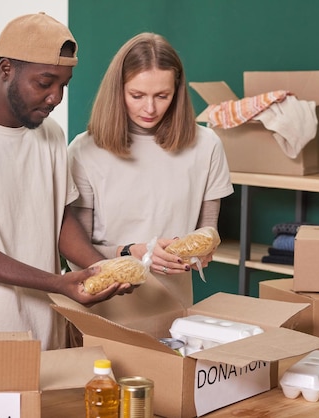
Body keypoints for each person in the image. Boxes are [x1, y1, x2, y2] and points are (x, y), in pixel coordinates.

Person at [0, 12, 132, 351]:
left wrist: (101, 268)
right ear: (6, 69)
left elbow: (59, 220)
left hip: (42, 327)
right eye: (45, 83)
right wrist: (58, 283)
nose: (56, 98)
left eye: (64, 85)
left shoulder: (51, 135)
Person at [67, 32, 234, 326]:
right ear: (117, 91)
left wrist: (200, 252)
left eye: (162, 96)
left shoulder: (207, 145)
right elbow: (79, 249)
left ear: (177, 91)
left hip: (174, 308)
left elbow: (208, 231)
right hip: (105, 308)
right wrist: (134, 252)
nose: (150, 109)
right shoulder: (84, 150)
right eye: (137, 95)